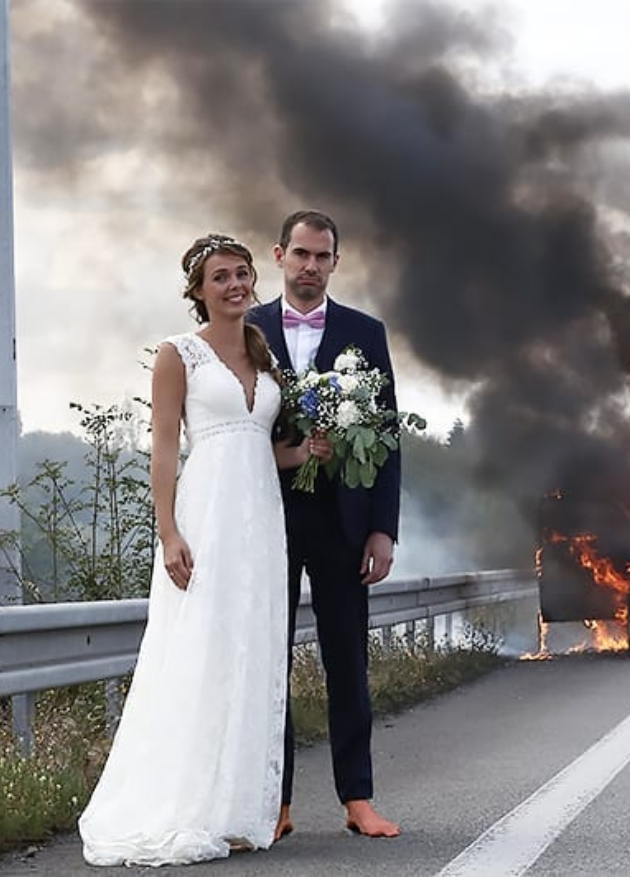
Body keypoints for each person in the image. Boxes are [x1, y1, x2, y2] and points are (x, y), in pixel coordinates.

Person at [79, 233, 318, 866]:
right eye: (221, 277)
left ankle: (238, 808)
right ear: (199, 290)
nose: (236, 284)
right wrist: (169, 531)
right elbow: (164, 448)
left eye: (242, 274)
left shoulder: (264, 356)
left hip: (261, 519)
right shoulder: (177, 354)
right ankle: (186, 803)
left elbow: (257, 444)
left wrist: (308, 450)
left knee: (252, 651)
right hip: (206, 514)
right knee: (201, 648)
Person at [248, 210, 403, 840]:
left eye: (323, 257)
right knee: (266, 663)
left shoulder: (365, 331)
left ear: (336, 262)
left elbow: (389, 437)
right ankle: (274, 804)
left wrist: (383, 530)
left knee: (348, 660)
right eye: (302, 254)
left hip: (345, 523)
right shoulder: (247, 327)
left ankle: (357, 798)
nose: (311, 266)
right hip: (267, 516)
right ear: (280, 254)